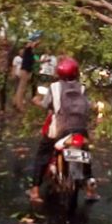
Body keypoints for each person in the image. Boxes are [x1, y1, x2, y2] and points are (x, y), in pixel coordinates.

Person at [27, 57, 99, 203]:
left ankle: (34, 190)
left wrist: (37, 102)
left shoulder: (54, 88)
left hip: (61, 130)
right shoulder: (82, 87)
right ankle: (90, 189)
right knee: (85, 153)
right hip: (81, 129)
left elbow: (47, 105)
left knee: (43, 153)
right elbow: (88, 107)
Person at [13, 31, 41, 111]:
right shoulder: (28, 47)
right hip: (24, 70)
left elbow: (35, 59)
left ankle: (16, 102)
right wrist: (36, 39)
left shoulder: (31, 51)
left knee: (22, 88)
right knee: (21, 88)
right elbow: (32, 44)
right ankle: (19, 106)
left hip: (28, 70)